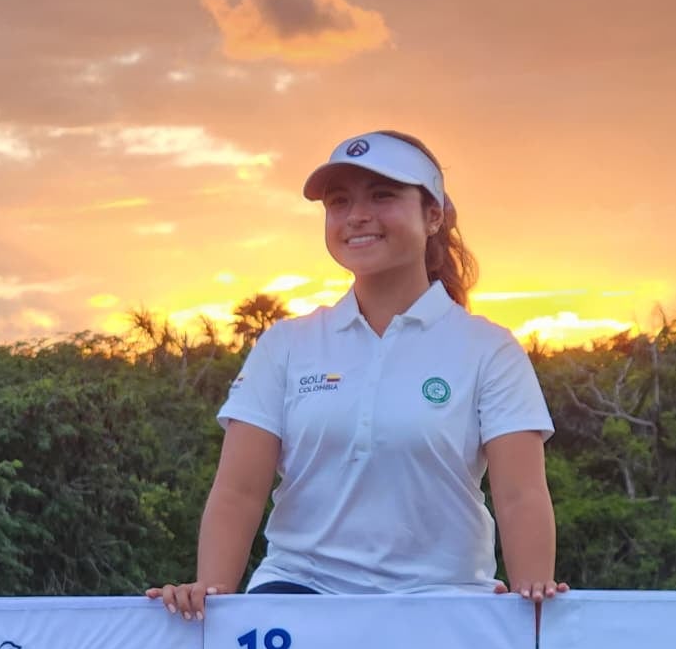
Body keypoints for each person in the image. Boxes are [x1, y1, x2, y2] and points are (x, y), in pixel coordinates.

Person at [147, 130, 566, 618]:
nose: (357, 216)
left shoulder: (488, 348)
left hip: (445, 602)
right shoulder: (287, 344)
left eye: (382, 195)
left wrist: (530, 608)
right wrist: (210, 595)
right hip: (299, 593)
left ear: (434, 215)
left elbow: (521, 495)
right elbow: (239, 491)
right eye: (339, 202)